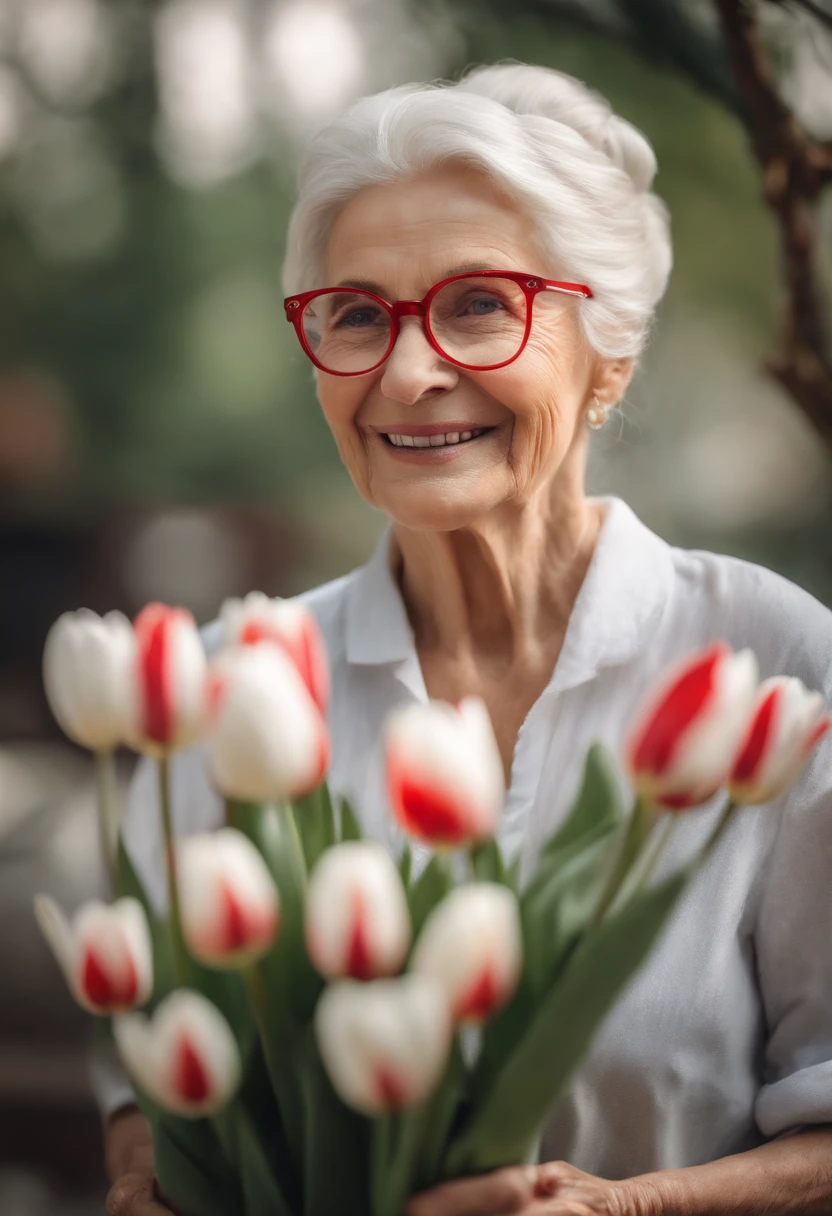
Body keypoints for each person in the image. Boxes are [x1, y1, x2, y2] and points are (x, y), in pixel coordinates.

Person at [99, 62, 832, 1216]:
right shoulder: (228, 688)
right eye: (355, 314)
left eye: (478, 304)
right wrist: (145, 1174)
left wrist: (633, 1206)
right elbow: (147, 1072)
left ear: (610, 354)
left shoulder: (779, 666)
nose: (406, 370)